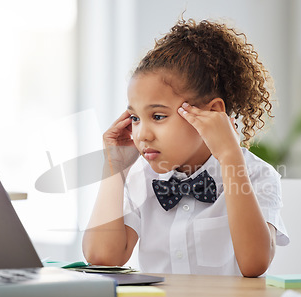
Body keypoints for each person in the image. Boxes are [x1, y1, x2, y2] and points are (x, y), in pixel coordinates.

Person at [82, 18, 289, 277]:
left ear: (212, 113)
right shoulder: (141, 179)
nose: (142, 134)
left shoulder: (257, 174)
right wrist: (114, 167)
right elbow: (102, 258)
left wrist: (229, 157)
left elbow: (254, 263)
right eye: (135, 118)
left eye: (158, 117)